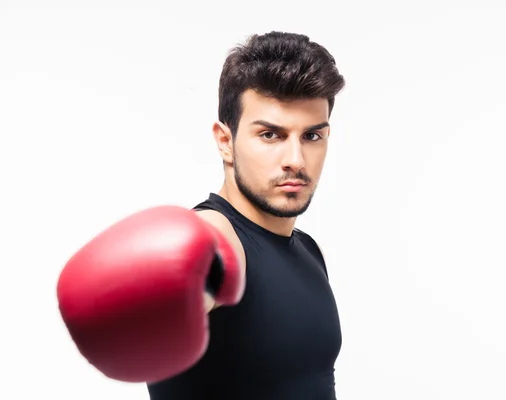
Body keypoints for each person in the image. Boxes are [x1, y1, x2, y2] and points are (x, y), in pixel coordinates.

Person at [56, 31, 346, 400]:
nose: (295, 159)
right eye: (271, 135)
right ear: (225, 141)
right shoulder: (215, 240)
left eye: (311, 136)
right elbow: (206, 266)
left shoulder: (308, 251)